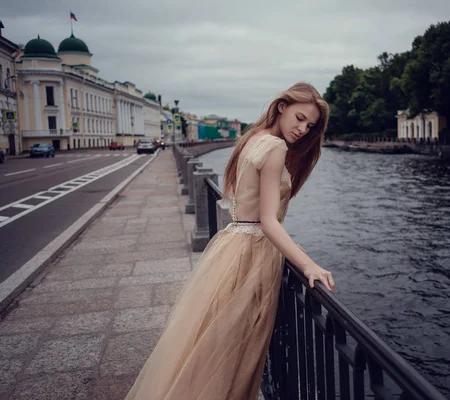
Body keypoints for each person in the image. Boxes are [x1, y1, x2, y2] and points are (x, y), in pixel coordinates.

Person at [125, 82, 335, 400]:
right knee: (237, 355)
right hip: (252, 255)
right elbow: (266, 220)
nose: (303, 129)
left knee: (209, 347)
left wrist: (291, 248)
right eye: (300, 118)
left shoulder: (252, 137)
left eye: (310, 125)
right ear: (282, 106)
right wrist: (308, 264)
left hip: (232, 245)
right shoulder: (276, 148)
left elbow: (247, 207)